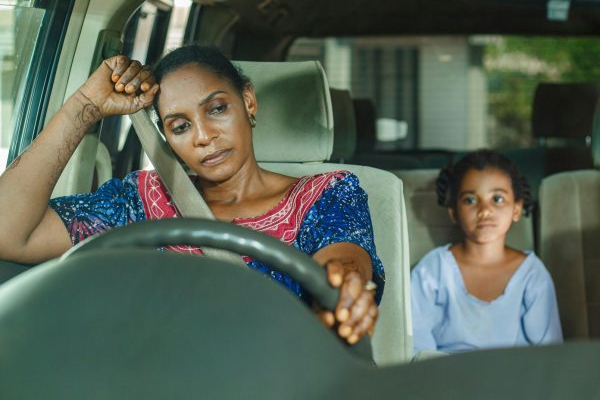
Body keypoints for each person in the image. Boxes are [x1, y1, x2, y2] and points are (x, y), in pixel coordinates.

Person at [0, 45, 384, 345]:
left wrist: (345, 291)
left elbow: (343, 262)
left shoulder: (326, 193)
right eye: (180, 126)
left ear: (248, 102)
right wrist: (83, 107)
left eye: (216, 109)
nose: (203, 136)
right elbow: (9, 232)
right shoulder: (140, 201)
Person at [411, 150, 562, 354]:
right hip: (446, 380)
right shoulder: (433, 270)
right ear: (453, 212)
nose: (485, 210)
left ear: (516, 209)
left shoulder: (532, 275)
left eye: (497, 199)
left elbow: (549, 353)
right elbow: (417, 346)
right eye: (470, 200)